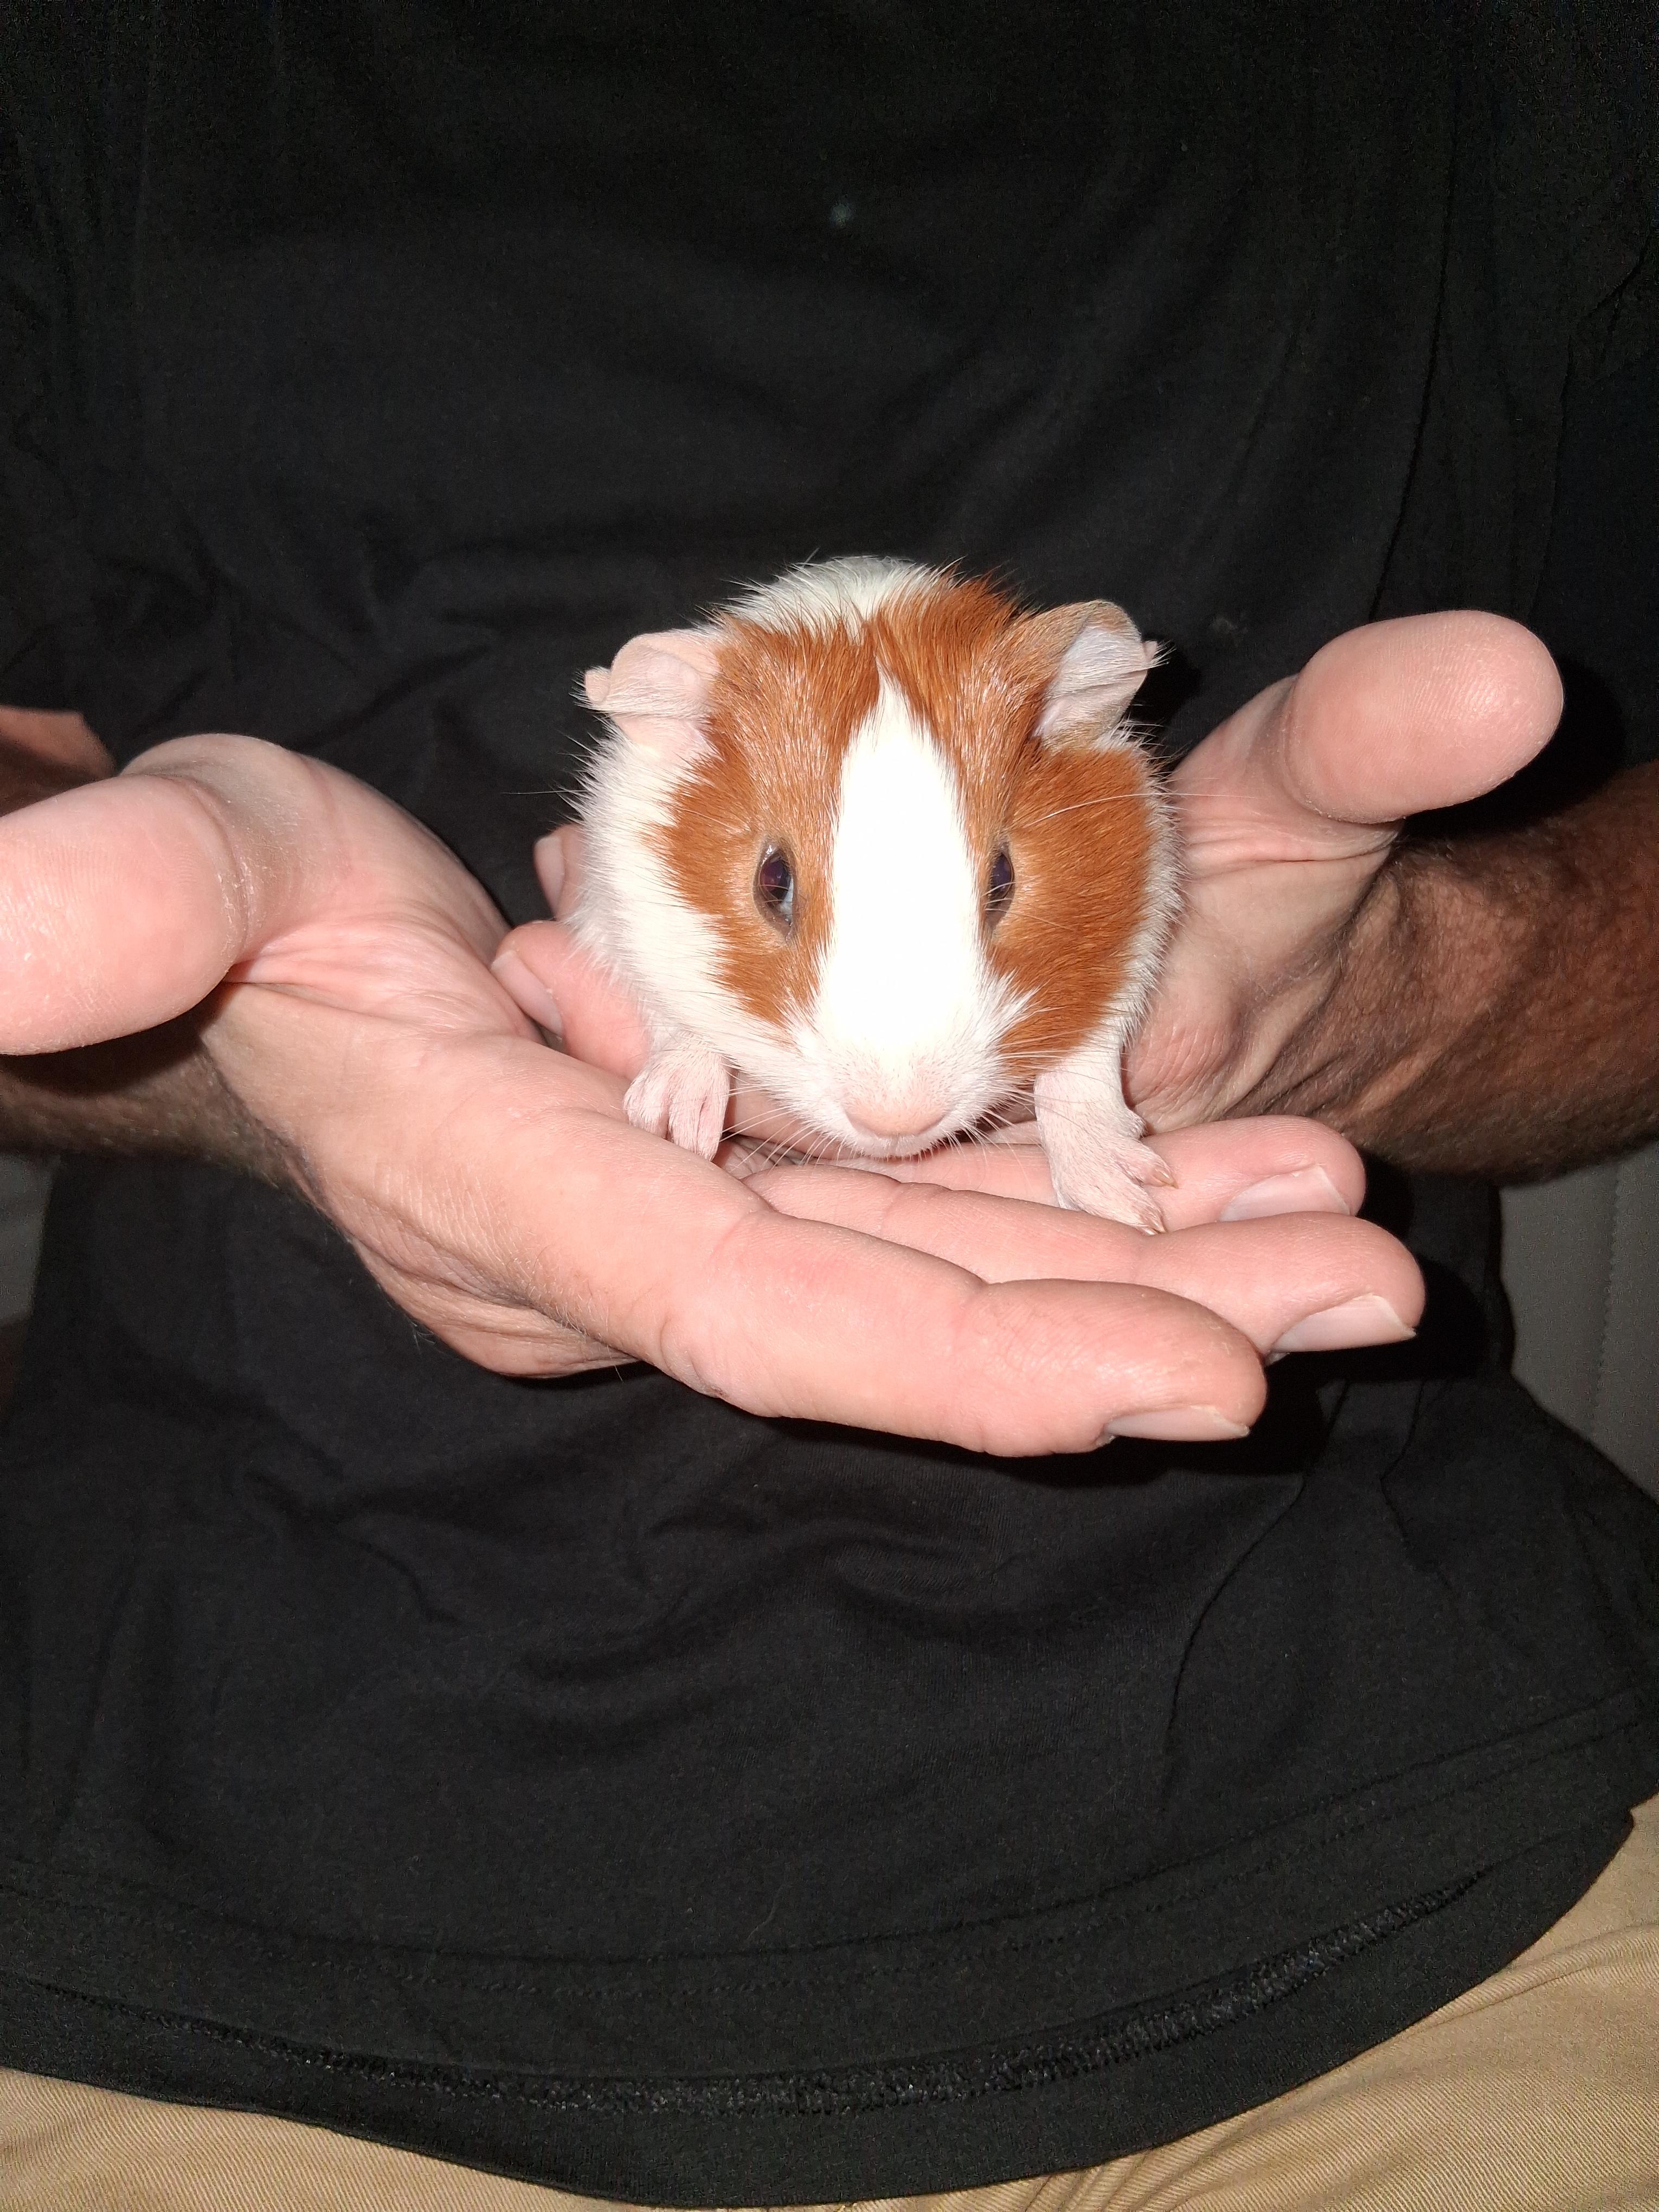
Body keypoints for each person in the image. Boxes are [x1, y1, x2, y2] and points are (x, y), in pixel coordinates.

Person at [0, 4, 1654, 2207]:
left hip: (1421, 1822)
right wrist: (229, 1028)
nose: (892, 1093)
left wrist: (1347, 1003)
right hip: (219, 1872)